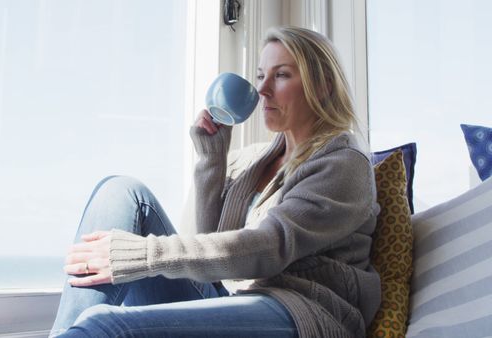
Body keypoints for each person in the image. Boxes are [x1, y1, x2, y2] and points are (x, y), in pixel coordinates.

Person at [49, 26, 381, 338]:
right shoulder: (254, 160)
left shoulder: (343, 161)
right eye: (260, 76)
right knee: (120, 192)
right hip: (233, 295)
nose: (262, 91)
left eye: (281, 75)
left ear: (322, 85)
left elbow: (270, 247)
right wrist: (211, 160)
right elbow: (209, 249)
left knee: (106, 328)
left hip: (302, 311)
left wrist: (141, 255)